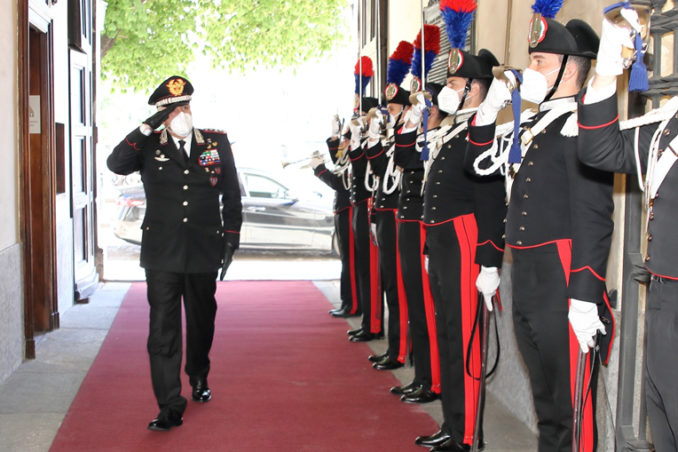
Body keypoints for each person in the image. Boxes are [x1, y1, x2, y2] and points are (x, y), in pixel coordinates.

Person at [465, 8, 614, 451]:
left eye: (540, 62)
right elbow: (478, 164)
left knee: (572, 403)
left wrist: (585, 295)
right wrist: (490, 108)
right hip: (527, 271)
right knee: (546, 401)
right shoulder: (531, 125)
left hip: (562, 273)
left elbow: (595, 215)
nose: (530, 70)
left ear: (571, 69)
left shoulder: (584, 124)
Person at [107, 76, 242, 431]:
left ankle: (198, 371)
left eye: (185, 107)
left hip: (203, 249)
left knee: (201, 319)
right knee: (163, 329)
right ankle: (169, 403)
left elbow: (231, 192)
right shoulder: (148, 146)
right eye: (173, 110)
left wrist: (231, 238)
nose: (182, 114)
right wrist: (147, 126)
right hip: (162, 253)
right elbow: (115, 163)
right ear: (161, 115)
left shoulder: (215, 142)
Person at [577, 7, 678, 451]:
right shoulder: (668, 126)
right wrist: (606, 71)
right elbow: (599, 150)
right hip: (661, 301)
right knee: (665, 425)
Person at [413, 4, 505, 446]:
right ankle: (452, 423)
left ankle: (468, 433)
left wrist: (490, 259)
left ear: (475, 88)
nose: (445, 91)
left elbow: (490, 198)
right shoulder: (454, 129)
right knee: (449, 331)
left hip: (466, 239)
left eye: (453, 83)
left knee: (466, 340)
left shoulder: (484, 130)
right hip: (443, 240)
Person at [362, 40, 413, 370]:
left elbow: (387, 171)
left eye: (393, 110)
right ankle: (394, 348)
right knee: (390, 286)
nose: (388, 115)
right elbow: (376, 170)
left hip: (397, 216)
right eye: (388, 110)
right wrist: (372, 135)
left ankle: (400, 350)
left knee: (399, 288)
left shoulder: (407, 140)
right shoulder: (390, 138)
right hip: (384, 214)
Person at [311, 120, 359, 318]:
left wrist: (320, 170)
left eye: (345, 139)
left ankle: (352, 304)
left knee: (350, 260)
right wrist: (333, 138)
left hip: (348, 209)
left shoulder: (355, 155)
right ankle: (347, 302)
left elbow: (340, 183)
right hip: (342, 210)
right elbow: (338, 159)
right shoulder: (347, 156)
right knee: (345, 260)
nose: (342, 143)